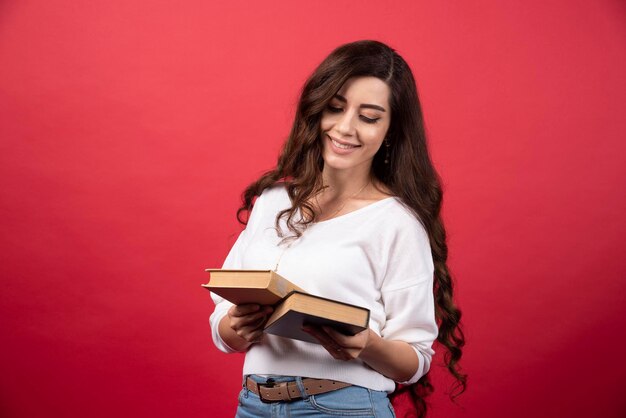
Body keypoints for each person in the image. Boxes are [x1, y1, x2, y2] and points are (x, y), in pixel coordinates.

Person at [209, 40, 466, 418]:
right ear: (317, 109)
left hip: (342, 407)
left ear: (390, 130)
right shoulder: (273, 201)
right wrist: (236, 326)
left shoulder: (396, 222)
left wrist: (366, 345)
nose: (345, 128)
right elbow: (222, 324)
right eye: (336, 107)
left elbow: (415, 360)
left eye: (370, 116)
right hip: (253, 405)